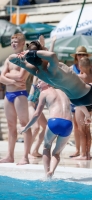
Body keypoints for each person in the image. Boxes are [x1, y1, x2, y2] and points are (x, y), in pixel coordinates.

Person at [8, 41, 92, 147]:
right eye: (44, 48)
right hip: (86, 93)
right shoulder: (52, 67)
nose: (46, 49)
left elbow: (11, 58)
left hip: (75, 100)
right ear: (40, 55)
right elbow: (51, 55)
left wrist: (28, 54)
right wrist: (31, 53)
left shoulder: (37, 72)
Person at [19, 80, 73, 178]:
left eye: (40, 82)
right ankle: (51, 171)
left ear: (48, 83)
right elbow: (79, 103)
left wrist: (26, 127)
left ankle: (46, 173)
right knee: (56, 152)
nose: (37, 84)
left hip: (54, 122)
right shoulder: (64, 92)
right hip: (68, 124)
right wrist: (87, 115)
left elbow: (37, 114)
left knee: (46, 147)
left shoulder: (44, 93)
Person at [0, 33, 32, 165]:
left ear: (23, 43)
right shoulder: (8, 59)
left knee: (24, 125)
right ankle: (10, 156)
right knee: (10, 126)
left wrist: (7, 78)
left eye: (16, 42)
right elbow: (1, 78)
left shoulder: (26, 58)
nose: (13, 44)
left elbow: (21, 77)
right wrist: (11, 81)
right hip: (9, 95)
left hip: (20, 94)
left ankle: (25, 156)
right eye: (12, 42)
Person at [69, 46, 92, 158]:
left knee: (81, 128)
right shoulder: (73, 68)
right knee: (79, 126)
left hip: (80, 100)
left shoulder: (88, 70)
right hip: (86, 100)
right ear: (76, 56)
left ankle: (83, 153)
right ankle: (79, 150)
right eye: (79, 54)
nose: (81, 56)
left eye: (83, 54)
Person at [28, 76, 47, 157]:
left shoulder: (48, 78)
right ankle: (27, 152)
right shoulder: (36, 77)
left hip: (37, 107)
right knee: (36, 127)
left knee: (46, 127)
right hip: (30, 105)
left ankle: (35, 150)